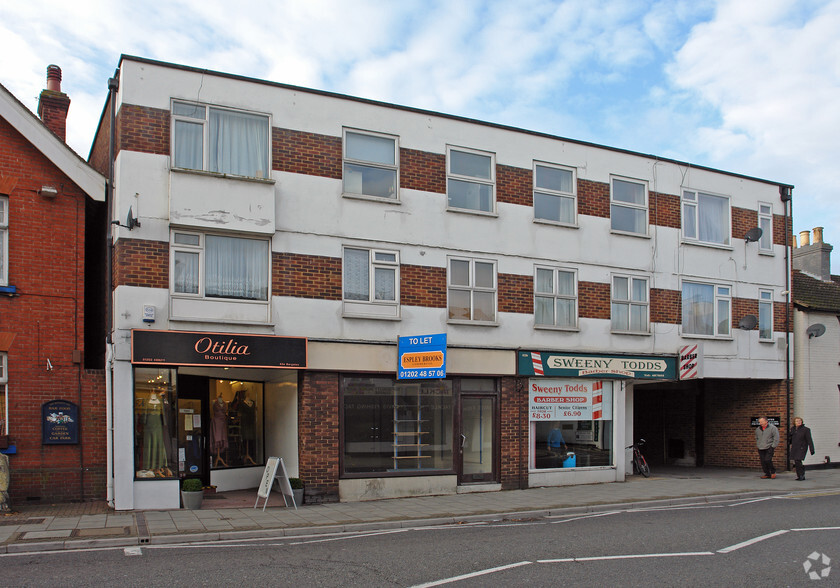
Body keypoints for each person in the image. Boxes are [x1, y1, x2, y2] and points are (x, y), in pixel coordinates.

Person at [788, 416, 815, 481]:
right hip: (795, 447)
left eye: (800, 421)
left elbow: (809, 440)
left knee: (798, 460)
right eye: (797, 421)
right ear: (794, 422)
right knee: (796, 462)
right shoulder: (793, 429)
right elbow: (791, 438)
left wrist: (812, 449)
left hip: (802, 447)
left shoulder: (806, 430)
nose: (798, 422)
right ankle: (799, 475)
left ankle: (801, 475)